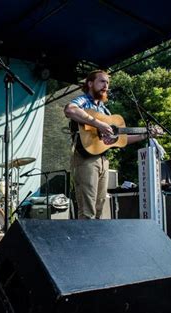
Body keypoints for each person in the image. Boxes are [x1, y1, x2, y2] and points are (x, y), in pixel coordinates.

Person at [64, 70, 153, 219]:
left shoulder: (105, 110)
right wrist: (97, 123)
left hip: (103, 161)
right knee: (87, 210)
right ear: (90, 83)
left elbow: (121, 140)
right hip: (85, 159)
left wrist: (145, 134)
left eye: (107, 82)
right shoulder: (83, 101)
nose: (106, 85)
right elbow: (69, 109)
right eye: (102, 81)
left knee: (100, 208)